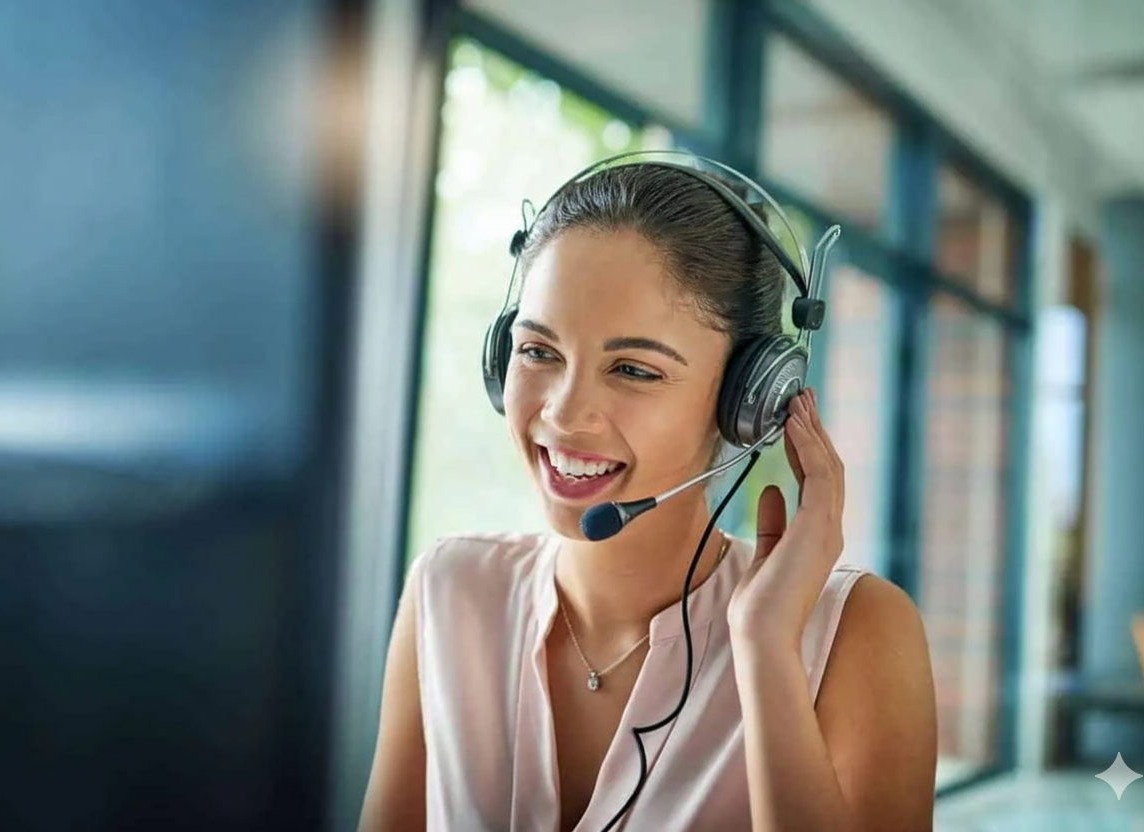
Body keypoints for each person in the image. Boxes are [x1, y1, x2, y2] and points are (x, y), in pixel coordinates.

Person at [360, 156, 938, 831]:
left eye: (633, 369)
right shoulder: (451, 589)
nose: (565, 414)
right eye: (538, 352)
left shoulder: (858, 631)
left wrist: (767, 650)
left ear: (747, 400)